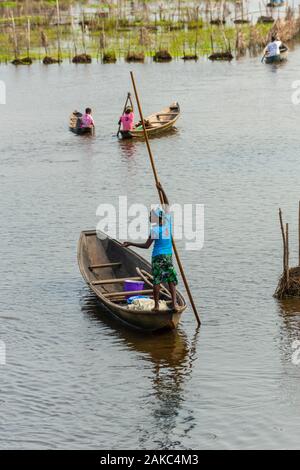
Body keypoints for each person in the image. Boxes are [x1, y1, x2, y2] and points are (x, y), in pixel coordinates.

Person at [122, 182, 179, 312]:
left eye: (150, 216)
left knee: (157, 281)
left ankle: (157, 306)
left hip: (157, 257)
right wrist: (162, 189)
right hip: (168, 256)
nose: (148, 217)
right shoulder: (167, 223)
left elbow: (147, 246)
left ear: (156, 218)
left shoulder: (155, 230)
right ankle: (175, 304)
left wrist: (130, 243)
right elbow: (167, 204)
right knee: (171, 279)